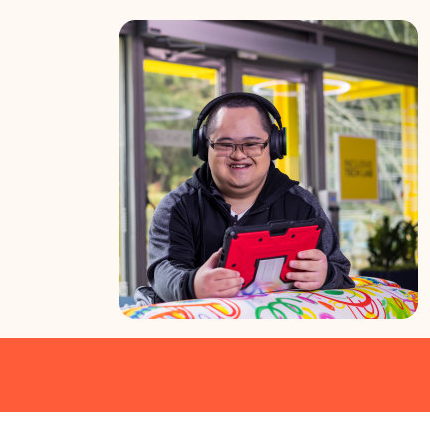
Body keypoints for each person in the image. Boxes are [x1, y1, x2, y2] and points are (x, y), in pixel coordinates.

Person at [139, 92, 354, 303]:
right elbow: (162, 273)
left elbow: (341, 273)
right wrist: (192, 285)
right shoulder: (177, 206)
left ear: (275, 145)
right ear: (204, 147)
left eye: (252, 143)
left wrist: (326, 275)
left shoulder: (303, 205)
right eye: (225, 144)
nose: (239, 154)